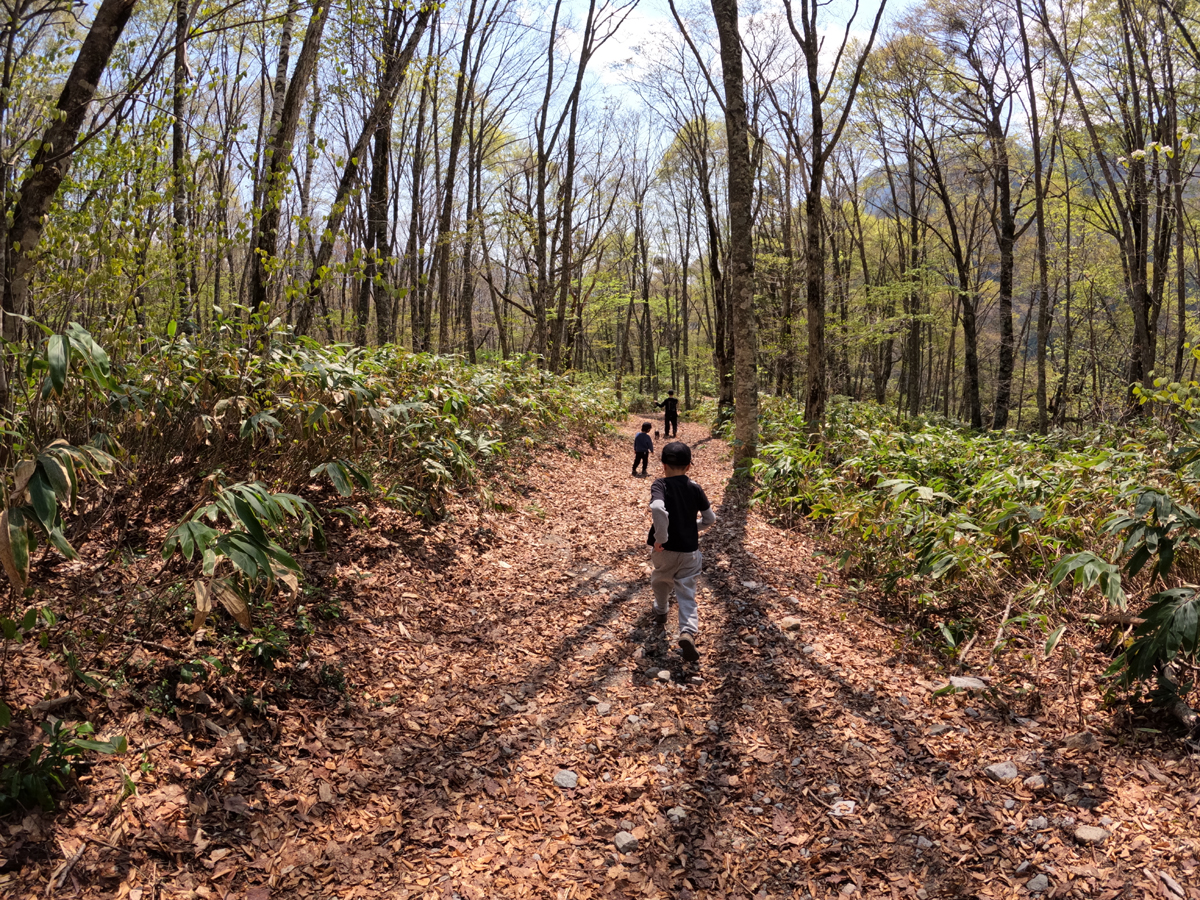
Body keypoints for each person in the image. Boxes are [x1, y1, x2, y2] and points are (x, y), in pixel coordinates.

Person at [647, 441, 715, 662]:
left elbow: (657, 508)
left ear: (663, 465)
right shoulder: (695, 488)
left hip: (664, 549)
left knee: (661, 579)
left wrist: (661, 538)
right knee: (687, 592)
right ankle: (687, 631)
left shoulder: (660, 485)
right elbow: (710, 519)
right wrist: (692, 527)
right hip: (689, 551)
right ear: (689, 467)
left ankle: (662, 611)